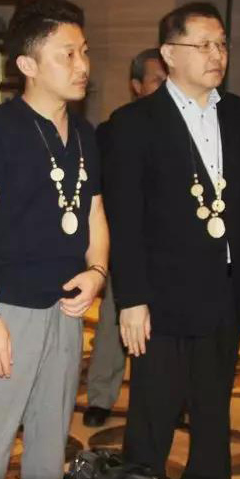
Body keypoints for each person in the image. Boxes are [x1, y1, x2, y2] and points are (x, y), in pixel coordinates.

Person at [106, 3, 240, 479]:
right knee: (152, 418)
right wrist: (131, 299)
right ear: (169, 54)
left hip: (225, 292)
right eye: (203, 45)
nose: (216, 54)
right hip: (161, 298)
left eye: (221, 44)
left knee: (213, 415)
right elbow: (125, 221)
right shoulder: (134, 122)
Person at [0, 0, 108, 479]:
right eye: (68, 54)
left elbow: (95, 213)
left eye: (84, 52)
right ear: (28, 64)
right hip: (7, 310)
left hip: (65, 310)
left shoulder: (84, 133)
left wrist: (97, 272)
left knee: (48, 449)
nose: (82, 66)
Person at [83, 46, 166, 428]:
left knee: (170, 326)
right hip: (126, 241)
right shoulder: (115, 128)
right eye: (156, 80)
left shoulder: (190, 126)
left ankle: (170, 399)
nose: (165, 86)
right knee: (114, 321)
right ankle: (101, 396)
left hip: (172, 247)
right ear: (136, 85)